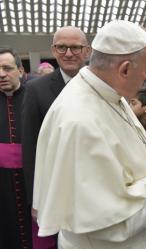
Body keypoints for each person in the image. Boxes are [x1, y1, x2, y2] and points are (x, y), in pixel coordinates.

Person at [32, 20, 146, 249]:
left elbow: (137, 162)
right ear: (125, 69)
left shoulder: (108, 93)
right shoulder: (79, 122)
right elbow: (114, 224)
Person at [21, 26, 91, 248]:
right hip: (57, 188)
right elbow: (31, 147)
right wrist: (36, 199)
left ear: (87, 51)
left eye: (75, 47)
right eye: (61, 47)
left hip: (95, 184)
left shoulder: (102, 86)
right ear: (53, 49)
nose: (68, 53)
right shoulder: (36, 89)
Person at [0, 48, 32, 249]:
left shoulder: (34, 96)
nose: (1, 74)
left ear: (20, 70)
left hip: (31, 181)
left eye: (7, 68)